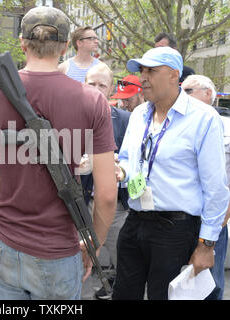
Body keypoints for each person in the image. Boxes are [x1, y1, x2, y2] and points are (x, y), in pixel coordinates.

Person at [0, 6, 118, 300]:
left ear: (22, 43)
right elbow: (107, 195)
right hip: (60, 250)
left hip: (6, 245)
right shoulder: (92, 101)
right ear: (64, 46)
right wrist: (93, 243)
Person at [113, 46, 229, 300]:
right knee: (122, 294)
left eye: (151, 71)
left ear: (174, 76)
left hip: (175, 229)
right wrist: (118, 170)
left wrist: (206, 244)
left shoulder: (204, 118)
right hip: (135, 221)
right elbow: (126, 159)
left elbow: (216, 188)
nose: (143, 77)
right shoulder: (140, 114)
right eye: (141, 70)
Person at [181, 74, 230, 300]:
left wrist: (218, 224)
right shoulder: (179, 124)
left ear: (208, 93)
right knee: (182, 284)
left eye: (189, 90)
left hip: (213, 222)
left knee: (210, 286)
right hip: (181, 222)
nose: (183, 94)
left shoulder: (224, 126)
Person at [84, 63, 130, 300]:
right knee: (81, 254)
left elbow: (135, 158)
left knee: (117, 252)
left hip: (116, 204)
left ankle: (113, 287)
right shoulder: (70, 117)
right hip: (81, 201)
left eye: (102, 85)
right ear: (83, 84)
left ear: (111, 89)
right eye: (91, 83)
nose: (96, 89)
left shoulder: (126, 120)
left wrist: (119, 164)